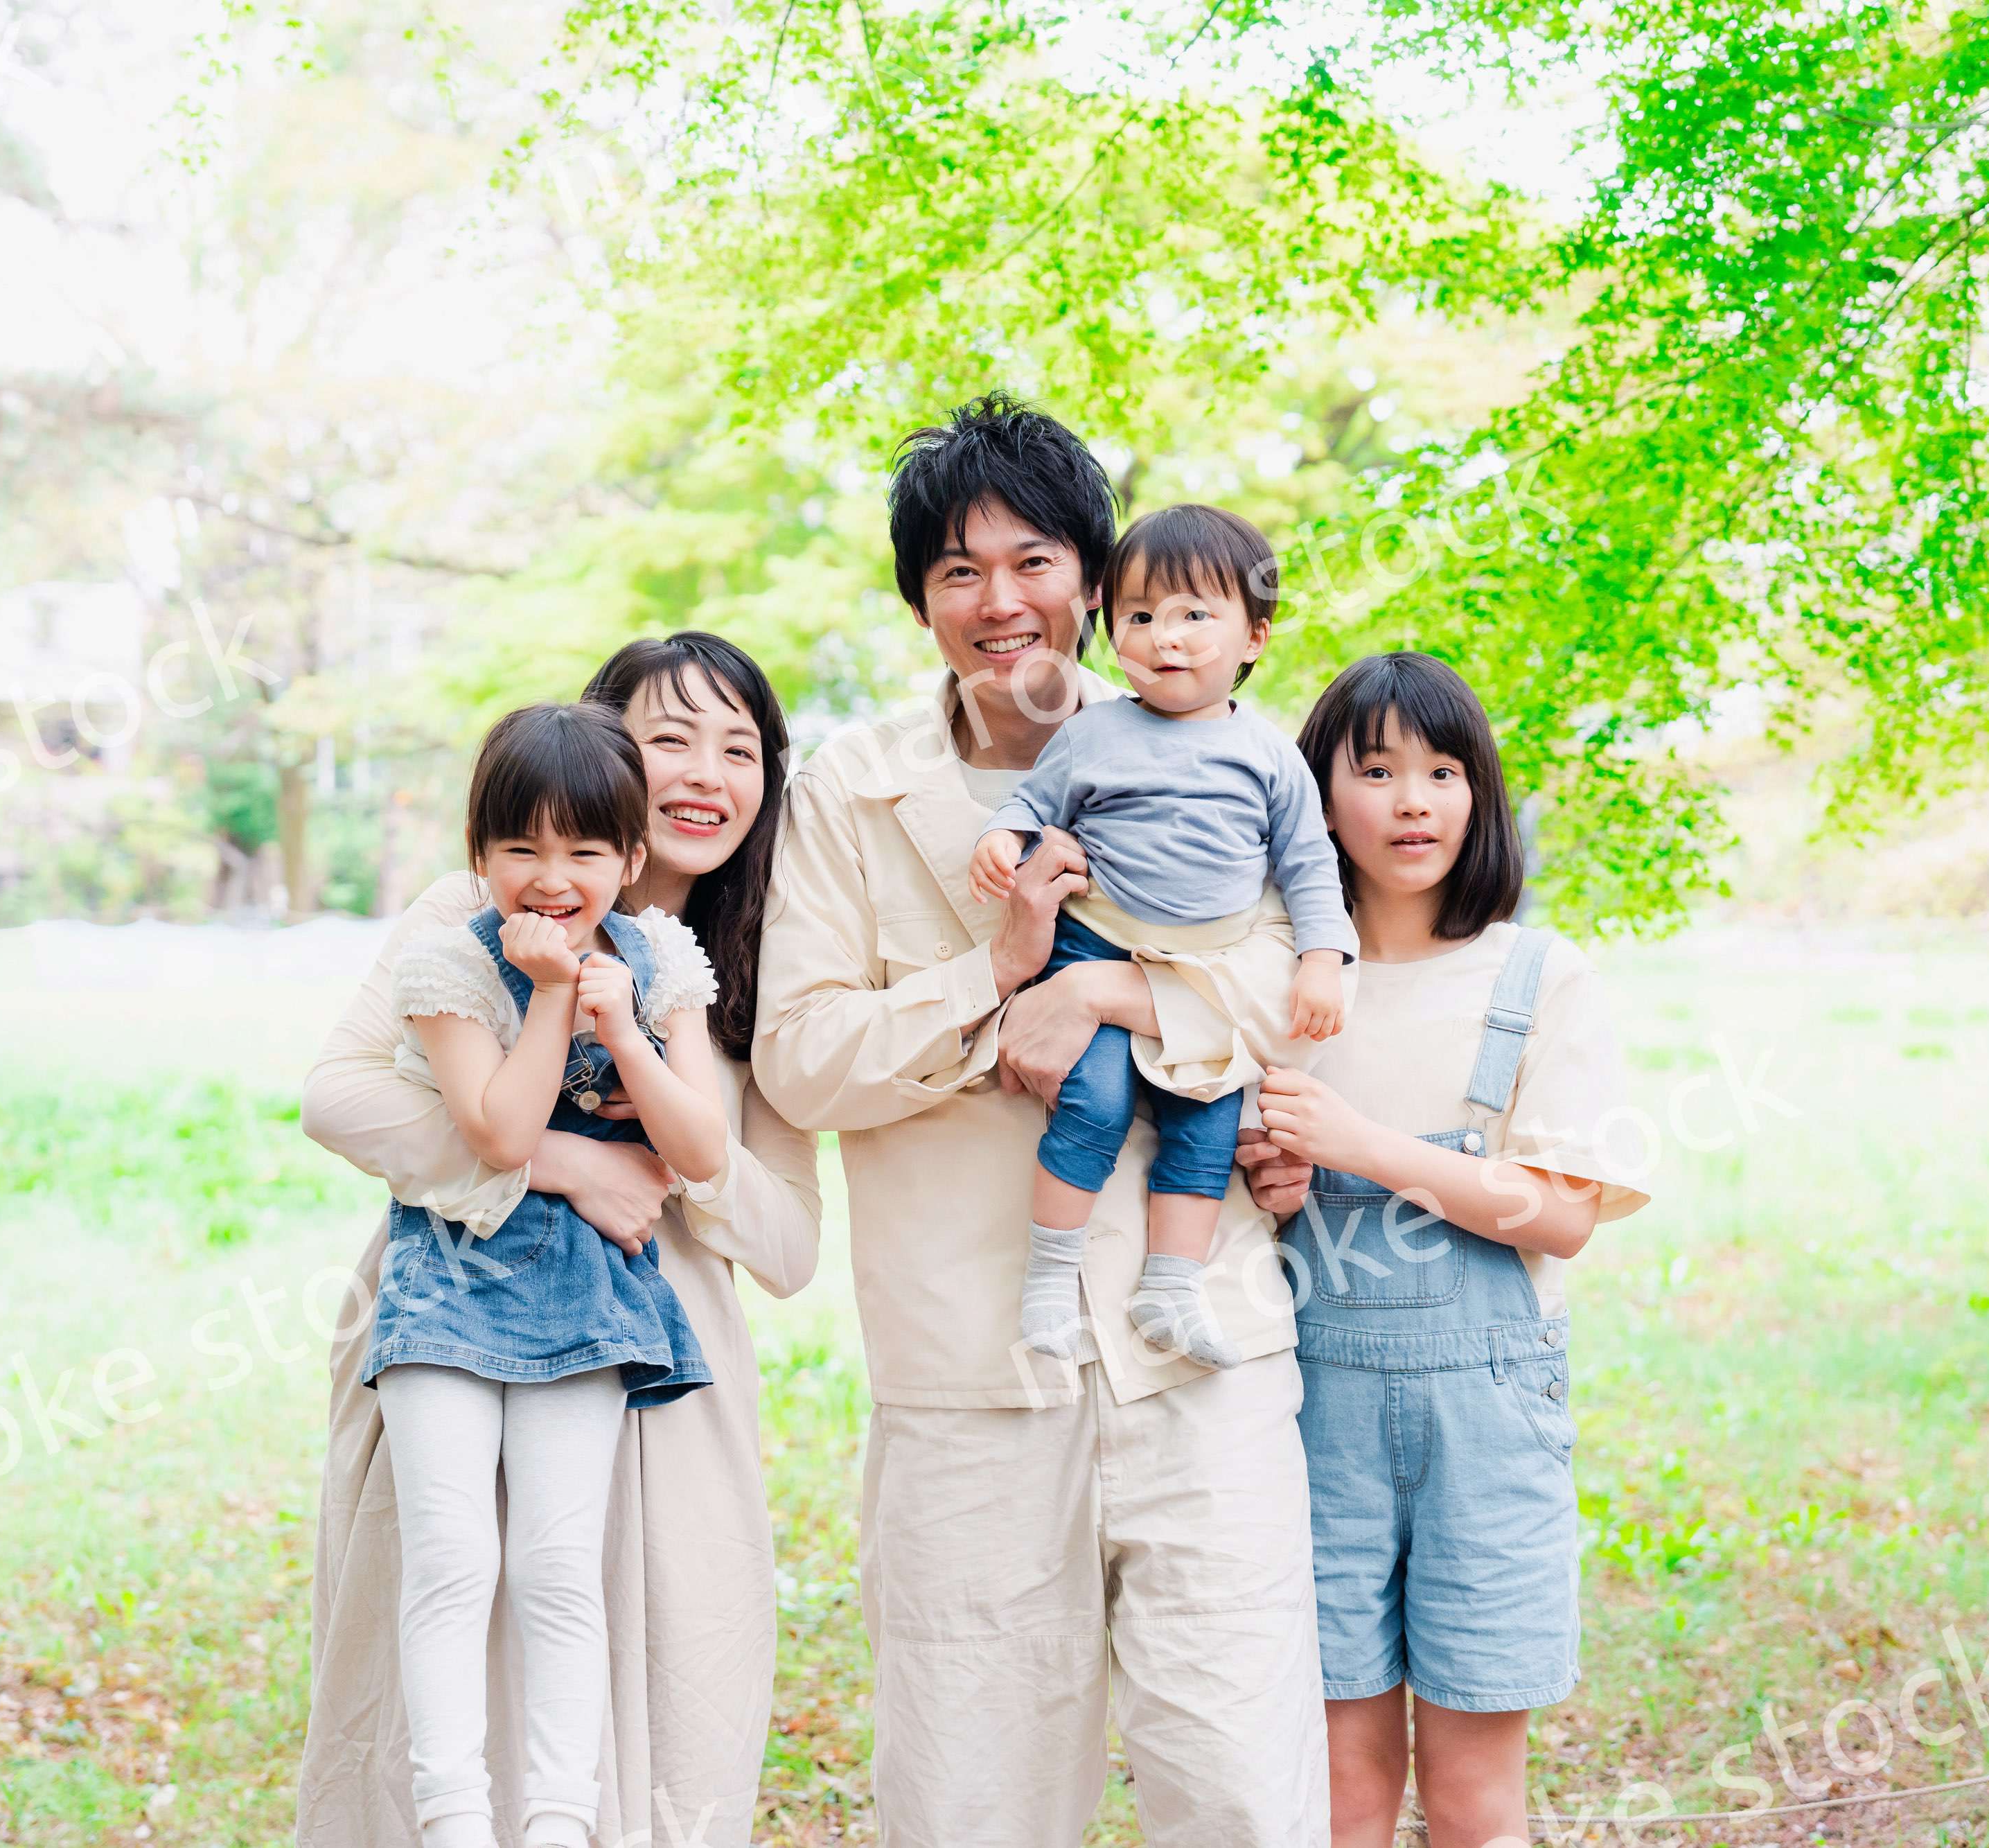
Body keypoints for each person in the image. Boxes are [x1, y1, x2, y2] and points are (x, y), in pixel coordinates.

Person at [751, 394, 1330, 1847]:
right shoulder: (851, 792)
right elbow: (804, 1059)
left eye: (1030, 562)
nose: (998, 602)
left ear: (1095, 572)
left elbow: (1299, 979)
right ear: (918, 600)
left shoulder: (1230, 748)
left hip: (1202, 1346)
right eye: (956, 571)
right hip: (967, 1366)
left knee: (1242, 1781)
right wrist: (997, 984)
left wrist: (1114, 998)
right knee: (968, 1794)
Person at [299, 633, 820, 1848]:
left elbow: (790, 1245)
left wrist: (675, 1160)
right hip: (459, 1317)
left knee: (666, 1714)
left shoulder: (738, 969)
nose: (703, 772)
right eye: (668, 737)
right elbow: (339, 1095)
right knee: (449, 1631)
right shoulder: (474, 913)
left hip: (662, 1365)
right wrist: (568, 1159)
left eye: (738, 747)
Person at [1239, 653, 1651, 1848]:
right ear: (1318, 799)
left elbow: (1565, 1213)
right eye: (1374, 771)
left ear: (1480, 796)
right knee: (1343, 1797)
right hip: (1313, 1412)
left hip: (1489, 1424)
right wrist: (1278, 1185)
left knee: (1474, 1804)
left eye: (1442, 770)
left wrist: (1364, 1144)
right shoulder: (1280, 985)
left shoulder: (1536, 972)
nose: (1412, 800)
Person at [363, 699, 722, 1848]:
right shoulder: (445, 965)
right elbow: (503, 1135)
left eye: (583, 849)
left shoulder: (662, 957)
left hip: (587, 1294)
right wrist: (559, 992)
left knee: (563, 1563)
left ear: (630, 854)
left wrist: (624, 1030)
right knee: (455, 1555)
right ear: (480, 854)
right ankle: (453, 1817)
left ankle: (561, 1820)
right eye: (520, 846)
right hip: (447, 1291)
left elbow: (703, 1150)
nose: (550, 876)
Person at [970, 502, 1355, 1371]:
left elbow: (1308, 872)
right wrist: (1002, 839)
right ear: (1112, 632)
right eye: (1139, 617)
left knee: (1206, 1124)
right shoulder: (1093, 733)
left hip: (1206, 972)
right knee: (1094, 1105)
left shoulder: (1267, 755)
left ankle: (1170, 1288)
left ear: (1253, 637)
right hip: (1095, 948)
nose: (1164, 637)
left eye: (1193, 616)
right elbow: (1031, 806)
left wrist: (1323, 961)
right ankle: (1048, 1284)